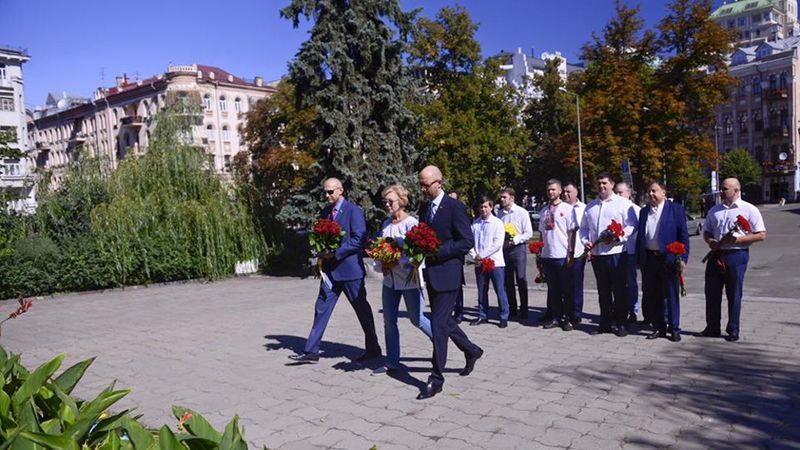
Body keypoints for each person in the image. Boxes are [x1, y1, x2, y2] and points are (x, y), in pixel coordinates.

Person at [289, 178, 381, 363]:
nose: (327, 195)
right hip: (330, 272)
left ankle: (373, 349)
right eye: (325, 192)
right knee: (321, 307)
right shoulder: (325, 212)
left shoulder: (353, 211)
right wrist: (320, 256)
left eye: (331, 192)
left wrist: (336, 253)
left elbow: (359, 239)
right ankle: (311, 351)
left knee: (361, 309)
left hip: (350, 271)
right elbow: (320, 238)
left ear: (340, 190)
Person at [416, 165, 483, 400]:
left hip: (449, 275)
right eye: (421, 184)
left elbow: (466, 242)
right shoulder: (424, 207)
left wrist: (437, 251)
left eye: (426, 184)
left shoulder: (455, 208)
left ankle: (436, 378)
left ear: (439, 182)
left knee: (438, 327)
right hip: (431, 275)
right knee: (443, 322)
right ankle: (472, 350)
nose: (423, 189)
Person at [373, 184, 433, 374]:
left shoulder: (411, 224)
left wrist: (398, 259)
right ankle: (392, 361)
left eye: (391, 201)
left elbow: (418, 255)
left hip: (409, 279)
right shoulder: (386, 225)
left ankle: (440, 342)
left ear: (402, 201)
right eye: (385, 202)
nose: (387, 205)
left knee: (417, 319)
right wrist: (382, 263)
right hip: (390, 281)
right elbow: (381, 249)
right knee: (389, 321)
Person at [702, 178, 766, 342]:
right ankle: (712, 327)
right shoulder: (714, 210)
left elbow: (761, 234)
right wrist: (710, 242)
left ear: (736, 190)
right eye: (722, 189)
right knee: (712, 292)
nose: (721, 192)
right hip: (717, 254)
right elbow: (707, 231)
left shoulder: (749, 209)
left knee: (734, 293)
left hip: (736, 255)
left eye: (725, 189)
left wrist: (738, 240)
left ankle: (733, 329)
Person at [580, 173, 638, 337]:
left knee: (619, 290)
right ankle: (604, 323)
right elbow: (584, 228)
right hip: (598, 255)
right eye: (599, 183)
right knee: (603, 291)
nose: (601, 186)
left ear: (612, 184)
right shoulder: (591, 206)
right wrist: (586, 242)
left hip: (617, 253)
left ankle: (621, 323)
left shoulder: (623, 204)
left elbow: (632, 225)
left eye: (604, 183)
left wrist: (618, 237)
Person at [636, 181, 689, 342]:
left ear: (663, 192)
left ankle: (674, 328)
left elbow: (683, 236)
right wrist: (640, 259)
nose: (651, 194)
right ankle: (659, 327)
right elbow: (641, 237)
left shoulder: (676, 210)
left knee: (671, 295)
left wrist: (683, 259)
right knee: (653, 295)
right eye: (649, 191)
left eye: (654, 191)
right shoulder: (644, 212)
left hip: (669, 258)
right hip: (650, 258)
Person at [539, 179, 577, 331]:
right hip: (548, 255)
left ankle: (568, 318)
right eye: (548, 190)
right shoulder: (544, 211)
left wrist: (571, 252)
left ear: (560, 191)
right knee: (553, 290)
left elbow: (572, 232)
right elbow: (541, 233)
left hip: (562, 254)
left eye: (553, 189)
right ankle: (556, 316)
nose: (551, 192)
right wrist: (539, 253)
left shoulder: (567, 209)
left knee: (566, 289)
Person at [468, 196, 510, 328]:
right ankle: (482, 315)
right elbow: (470, 242)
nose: (483, 209)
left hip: (495, 262)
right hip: (480, 262)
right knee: (482, 290)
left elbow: (497, 243)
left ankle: (504, 316)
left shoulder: (497, 223)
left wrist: (482, 255)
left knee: (500, 290)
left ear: (491, 207)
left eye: (486, 206)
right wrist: (475, 255)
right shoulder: (475, 224)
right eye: (481, 207)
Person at [497, 187, 533, 320]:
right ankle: (512, 308)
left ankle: (524, 309)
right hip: (505, 250)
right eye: (501, 197)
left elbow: (528, 232)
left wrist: (516, 239)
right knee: (508, 280)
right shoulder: (500, 213)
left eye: (504, 197)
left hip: (518, 249)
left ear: (512, 198)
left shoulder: (521, 212)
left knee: (521, 278)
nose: (502, 199)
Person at [614, 182, 642, 323]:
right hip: (616, 252)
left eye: (621, 192)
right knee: (617, 283)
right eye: (617, 192)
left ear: (629, 193)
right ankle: (619, 309)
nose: (619, 195)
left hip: (631, 252)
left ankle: (633, 310)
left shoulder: (636, 210)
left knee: (631, 283)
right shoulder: (613, 208)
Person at [563, 182, 586, 327]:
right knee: (564, 285)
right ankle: (564, 313)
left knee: (576, 284)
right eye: (564, 192)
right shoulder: (560, 208)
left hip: (578, 252)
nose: (566, 194)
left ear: (576, 192)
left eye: (569, 192)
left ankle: (576, 314)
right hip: (561, 252)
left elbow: (587, 230)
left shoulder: (584, 209)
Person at [448, 190, 466, 323]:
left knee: (457, 286)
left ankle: (460, 311)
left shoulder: (458, 211)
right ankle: (451, 310)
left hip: (456, 256)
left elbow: (465, 238)